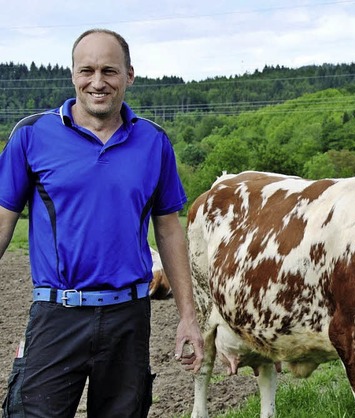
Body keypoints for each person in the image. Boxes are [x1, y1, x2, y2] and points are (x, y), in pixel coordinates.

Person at [0, 28, 204, 417]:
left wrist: (188, 318)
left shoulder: (154, 142)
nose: (98, 82)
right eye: (87, 70)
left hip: (128, 317)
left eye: (109, 71)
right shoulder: (31, 135)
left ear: (129, 74)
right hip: (56, 314)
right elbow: (2, 224)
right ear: (73, 74)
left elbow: (169, 229)